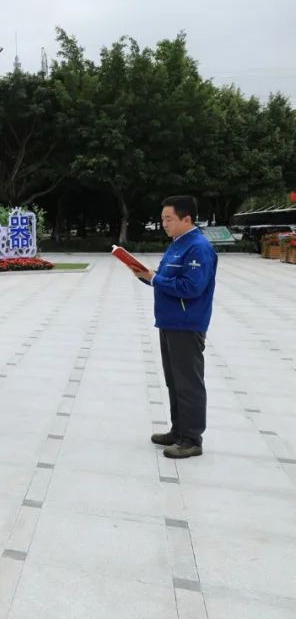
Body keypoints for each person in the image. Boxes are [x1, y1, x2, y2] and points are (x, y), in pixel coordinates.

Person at [129, 196, 217, 459]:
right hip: (169, 321)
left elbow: (192, 287)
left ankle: (191, 439)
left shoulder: (198, 248)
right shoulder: (178, 244)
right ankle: (179, 430)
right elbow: (165, 278)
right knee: (174, 381)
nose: (164, 224)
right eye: (162, 219)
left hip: (186, 324)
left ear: (186, 219)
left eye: (169, 219)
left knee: (188, 383)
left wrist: (155, 279)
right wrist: (146, 276)